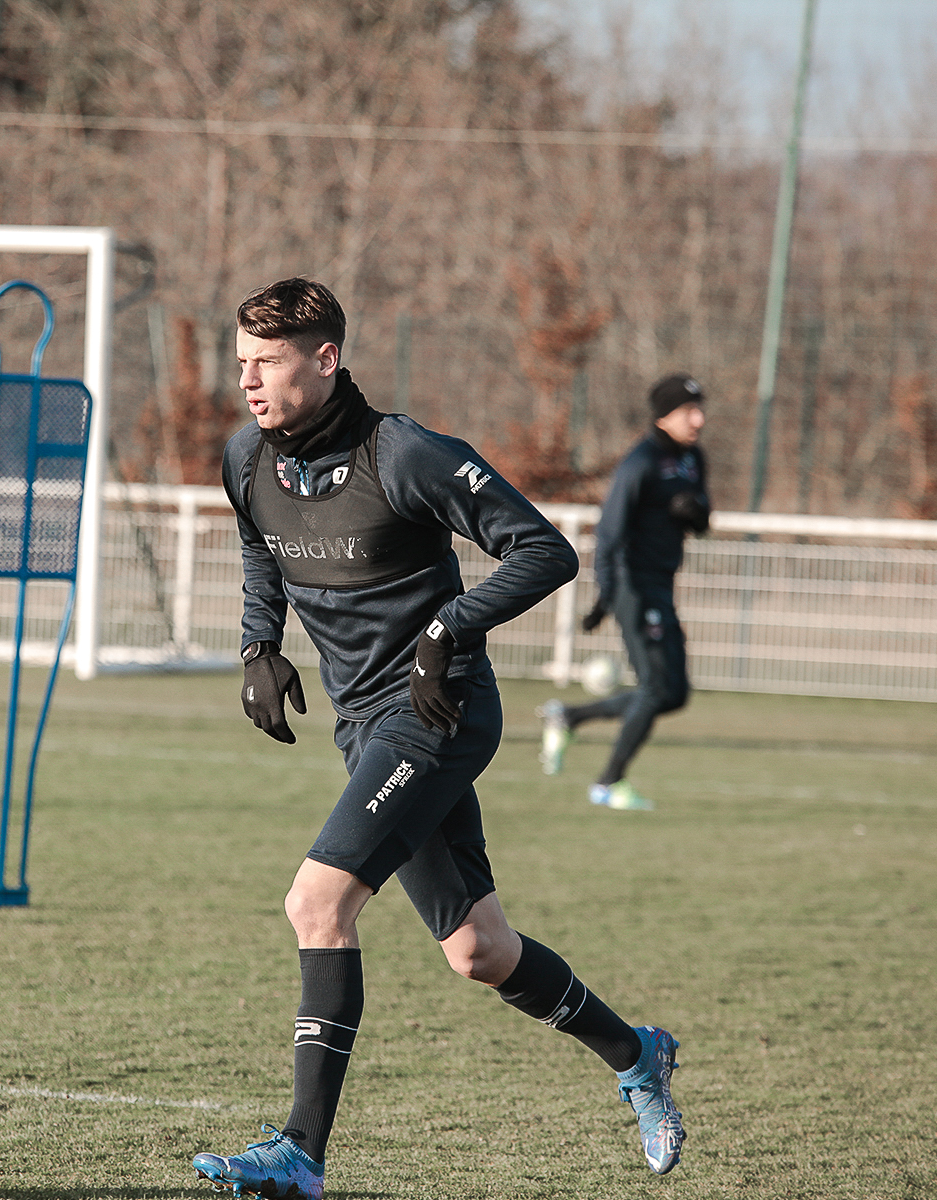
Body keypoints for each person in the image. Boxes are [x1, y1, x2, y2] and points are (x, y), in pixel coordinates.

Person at [190, 279, 684, 1200]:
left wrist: (448, 631)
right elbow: (260, 543)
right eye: (242, 362)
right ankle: (637, 1052)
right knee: (479, 952)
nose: (247, 382)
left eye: (267, 363)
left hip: (437, 715)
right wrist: (259, 644)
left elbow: (545, 550)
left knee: (317, 903)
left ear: (326, 359)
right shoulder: (247, 459)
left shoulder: (406, 453)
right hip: (361, 725)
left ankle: (301, 1151)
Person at [537, 374, 710, 811]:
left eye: (699, 409)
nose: (700, 419)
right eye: (690, 411)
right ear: (665, 415)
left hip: (662, 586)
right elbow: (610, 533)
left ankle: (569, 717)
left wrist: (694, 512)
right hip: (634, 587)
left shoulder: (693, 461)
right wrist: (605, 596)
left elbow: (703, 520)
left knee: (674, 694)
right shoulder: (641, 462)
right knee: (654, 688)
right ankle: (608, 783)